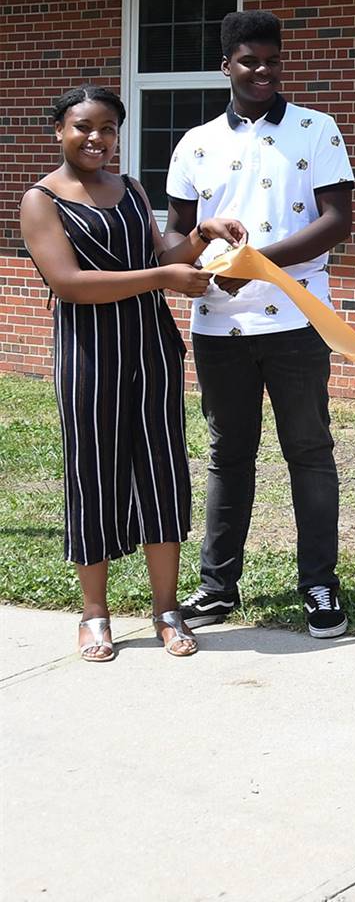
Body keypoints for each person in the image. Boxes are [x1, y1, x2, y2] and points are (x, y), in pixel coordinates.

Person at [19, 87, 247, 661]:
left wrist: (201, 236)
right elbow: (67, 283)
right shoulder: (41, 200)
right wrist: (161, 280)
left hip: (151, 353)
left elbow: (163, 256)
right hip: (89, 357)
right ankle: (95, 613)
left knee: (162, 474)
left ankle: (166, 610)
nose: (96, 138)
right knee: (94, 476)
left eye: (108, 129)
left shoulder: (132, 190)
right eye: (83, 126)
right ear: (59, 131)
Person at [166, 10, 355, 640]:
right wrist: (204, 243)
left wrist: (257, 263)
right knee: (229, 456)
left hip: (298, 318)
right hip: (219, 327)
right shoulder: (195, 144)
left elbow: (337, 222)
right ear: (226, 66)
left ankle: (321, 587)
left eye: (272, 60)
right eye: (249, 61)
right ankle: (217, 588)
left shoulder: (316, 130)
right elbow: (174, 240)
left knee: (309, 451)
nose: (263, 72)